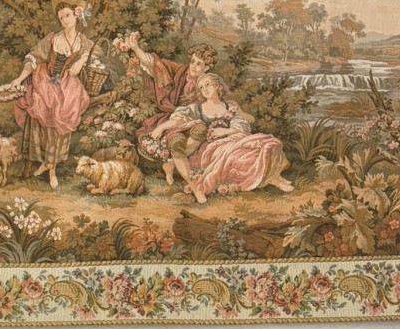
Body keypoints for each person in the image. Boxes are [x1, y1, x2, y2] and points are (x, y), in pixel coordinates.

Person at [153, 72, 292, 204]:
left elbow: (243, 122)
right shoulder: (197, 109)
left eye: (208, 84)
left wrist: (226, 131)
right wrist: (161, 127)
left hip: (232, 139)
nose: (205, 89)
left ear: (218, 86)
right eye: (201, 87)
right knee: (238, 156)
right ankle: (273, 180)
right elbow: (178, 120)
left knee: (261, 146)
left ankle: (275, 176)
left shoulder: (229, 106)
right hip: (210, 148)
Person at [7, 0, 97, 190]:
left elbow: (96, 53)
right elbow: (33, 58)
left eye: (67, 15)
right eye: (61, 17)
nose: (64, 20)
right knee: (47, 109)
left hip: (67, 82)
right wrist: (20, 79)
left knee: (66, 111)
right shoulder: (53, 38)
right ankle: (50, 168)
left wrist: (81, 61)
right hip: (45, 79)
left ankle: (50, 164)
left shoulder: (83, 41)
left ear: (77, 15)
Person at [123, 34, 221, 186]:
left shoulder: (210, 82)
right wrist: (136, 48)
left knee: (200, 131)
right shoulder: (180, 71)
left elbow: (223, 102)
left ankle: (172, 165)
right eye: (193, 61)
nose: (193, 66)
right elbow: (154, 64)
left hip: (196, 121)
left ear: (207, 67)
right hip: (173, 118)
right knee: (176, 139)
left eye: (199, 64)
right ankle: (185, 179)